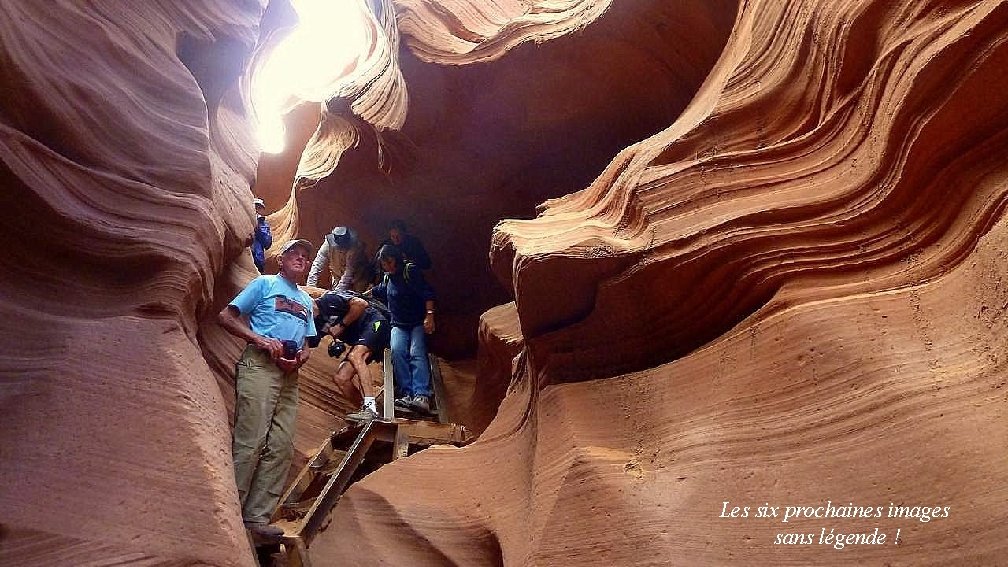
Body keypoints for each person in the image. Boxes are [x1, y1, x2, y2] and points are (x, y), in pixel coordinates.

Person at [218, 239, 316, 541]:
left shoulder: (307, 301)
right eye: (294, 255)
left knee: (282, 446)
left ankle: (256, 517)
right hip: (259, 365)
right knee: (251, 440)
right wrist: (260, 340)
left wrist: (302, 355)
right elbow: (225, 316)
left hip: (289, 375)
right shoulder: (264, 284)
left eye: (305, 257)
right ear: (281, 260)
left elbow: (309, 342)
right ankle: (228, 515)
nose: (300, 259)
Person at [371, 244, 436, 414]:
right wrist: (359, 295)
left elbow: (427, 292)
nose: (387, 266)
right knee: (397, 351)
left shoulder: (410, 271)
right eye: (384, 264)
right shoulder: (387, 277)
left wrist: (429, 316)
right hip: (398, 323)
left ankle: (421, 395)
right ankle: (407, 393)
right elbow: (379, 291)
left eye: (389, 262)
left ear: (396, 259)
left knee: (416, 353)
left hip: (416, 322)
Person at [310, 290, 391, 422]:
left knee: (356, 356)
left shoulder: (329, 300)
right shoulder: (315, 325)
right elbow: (308, 344)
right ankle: (368, 410)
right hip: (361, 338)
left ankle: (371, 409)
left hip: (375, 322)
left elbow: (360, 304)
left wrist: (341, 325)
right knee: (341, 378)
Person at [307, 226, 370, 291]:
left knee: (358, 298)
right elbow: (317, 265)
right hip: (338, 276)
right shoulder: (327, 245)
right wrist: (310, 287)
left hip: (359, 278)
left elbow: (348, 273)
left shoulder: (355, 249)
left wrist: (336, 293)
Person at [250, 198, 272, 274]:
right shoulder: (242, 221)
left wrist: (258, 228)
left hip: (258, 262)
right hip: (245, 260)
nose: (257, 209)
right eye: (255, 207)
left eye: (259, 207)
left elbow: (267, 243)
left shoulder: (264, 225)